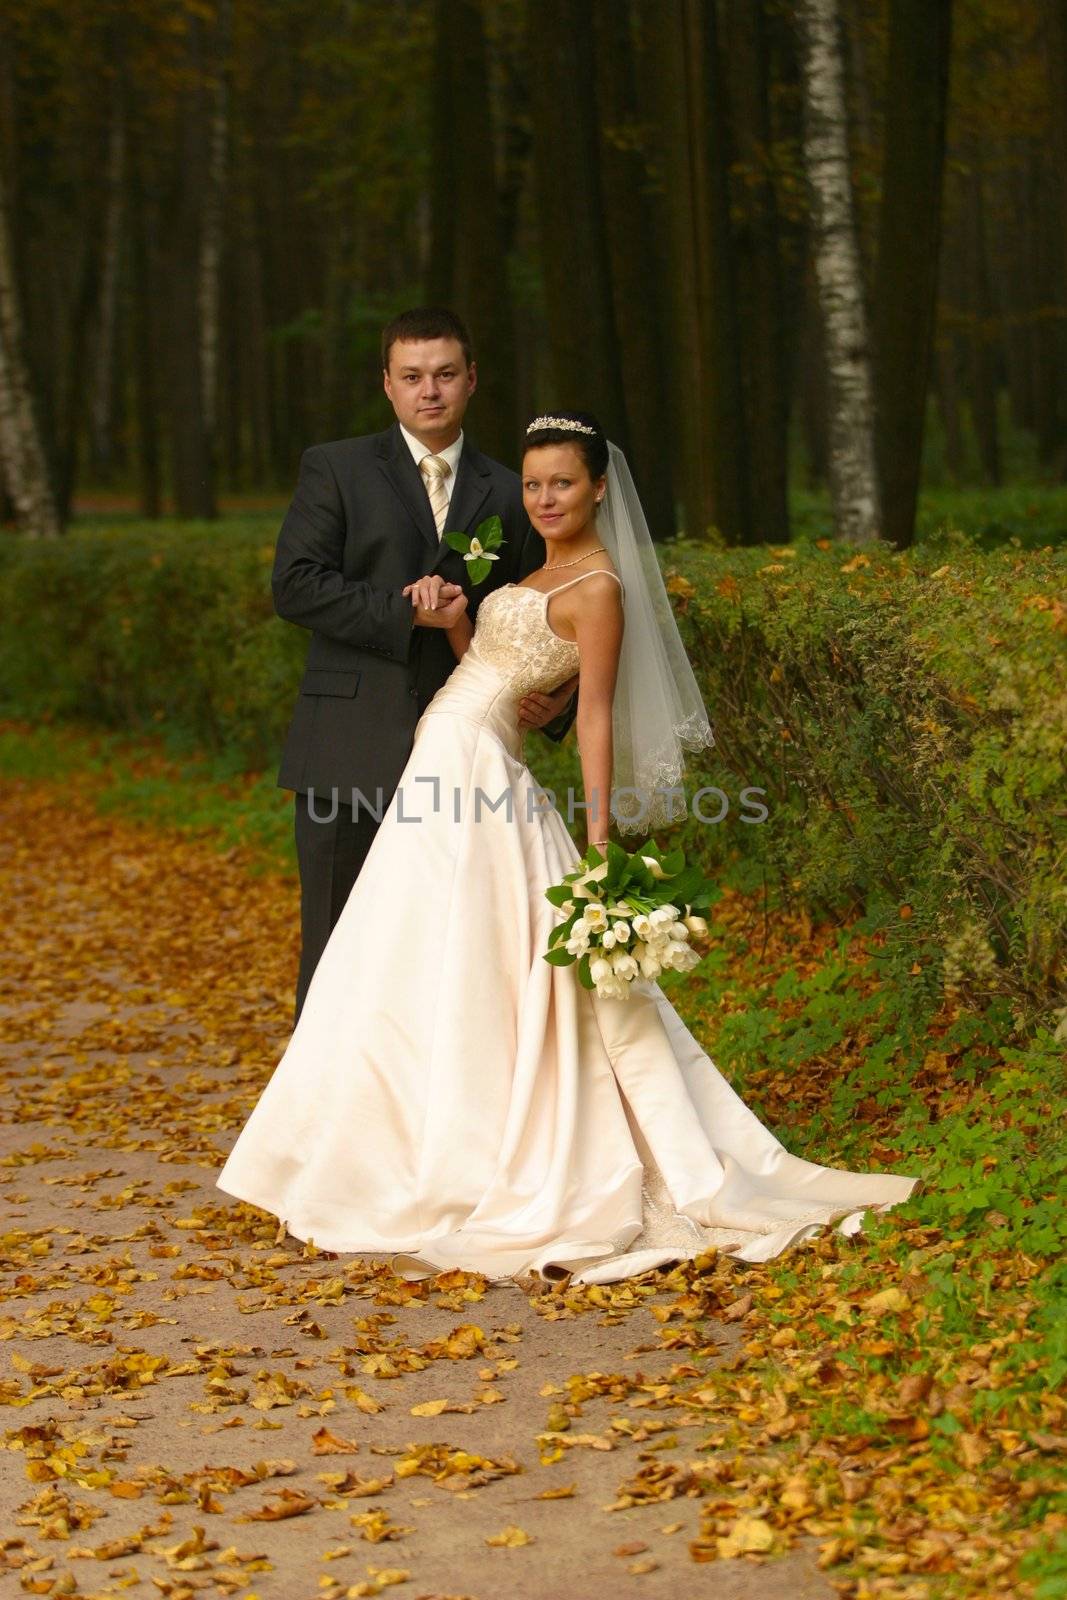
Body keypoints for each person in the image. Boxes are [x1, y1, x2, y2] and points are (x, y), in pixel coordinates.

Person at [217, 412, 921, 1288]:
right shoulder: (537, 567)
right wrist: (451, 630)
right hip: (444, 752)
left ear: (596, 488)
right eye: (532, 483)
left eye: (561, 483)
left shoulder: (598, 588)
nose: (543, 498)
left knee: (463, 954)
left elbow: (591, 713)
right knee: (412, 953)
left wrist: (598, 836)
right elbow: (497, 667)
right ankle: (382, 1147)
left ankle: (464, 1156)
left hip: (477, 771)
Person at [271, 307, 578, 1028]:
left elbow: (545, 606)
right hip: (346, 744)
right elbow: (296, 585)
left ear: (472, 379)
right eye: (411, 377)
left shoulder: (512, 491)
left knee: (448, 947)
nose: (428, 391)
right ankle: (320, 1120)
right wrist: (404, 612)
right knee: (337, 938)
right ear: (387, 384)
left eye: (444, 374)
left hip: (466, 755)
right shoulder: (336, 467)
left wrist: (553, 699)